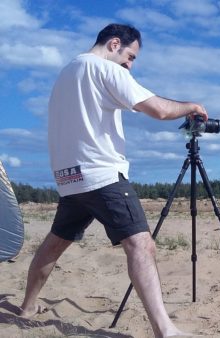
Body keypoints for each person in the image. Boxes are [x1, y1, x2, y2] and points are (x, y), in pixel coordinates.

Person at [19, 23, 207, 337]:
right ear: (114, 44)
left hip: (70, 178)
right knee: (141, 244)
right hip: (102, 174)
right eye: (130, 56)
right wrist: (191, 107)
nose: (130, 65)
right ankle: (166, 331)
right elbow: (158, 110)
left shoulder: (67, 72)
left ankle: (27, 307)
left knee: (54, 244)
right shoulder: (106, 70)